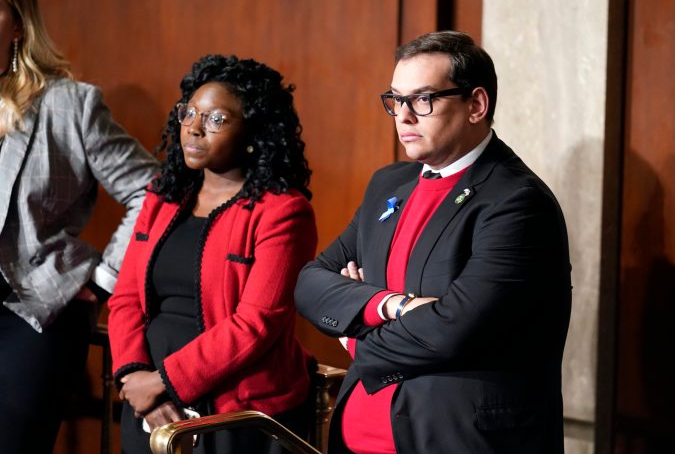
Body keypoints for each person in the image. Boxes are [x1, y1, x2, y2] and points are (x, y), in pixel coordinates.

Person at [295, 31, 572, 453]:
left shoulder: (517, 202)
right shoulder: (388, 184)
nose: (403, 116)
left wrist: (353, 334)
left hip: (458, 439)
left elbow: (451, 330)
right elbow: (311, 283)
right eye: (395, 100)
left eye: (423, 100)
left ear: (476, 105)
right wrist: (389, 305)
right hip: (357, 438)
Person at [108, 54, 317, 454]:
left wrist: (164, 381)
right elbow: (126, 298)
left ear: (254, 131)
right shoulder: (162, 198)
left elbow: (256, 323)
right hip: (149, 404)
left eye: (216, 119)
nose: (195, 129)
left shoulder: (283, 211)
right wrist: (136, 377)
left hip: (236, 410)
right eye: (189, 113)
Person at [0, 0, 158, 454]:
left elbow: (149, 190)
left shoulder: (69, 105)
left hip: (33, 312)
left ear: (19, 25)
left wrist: (102, 278)